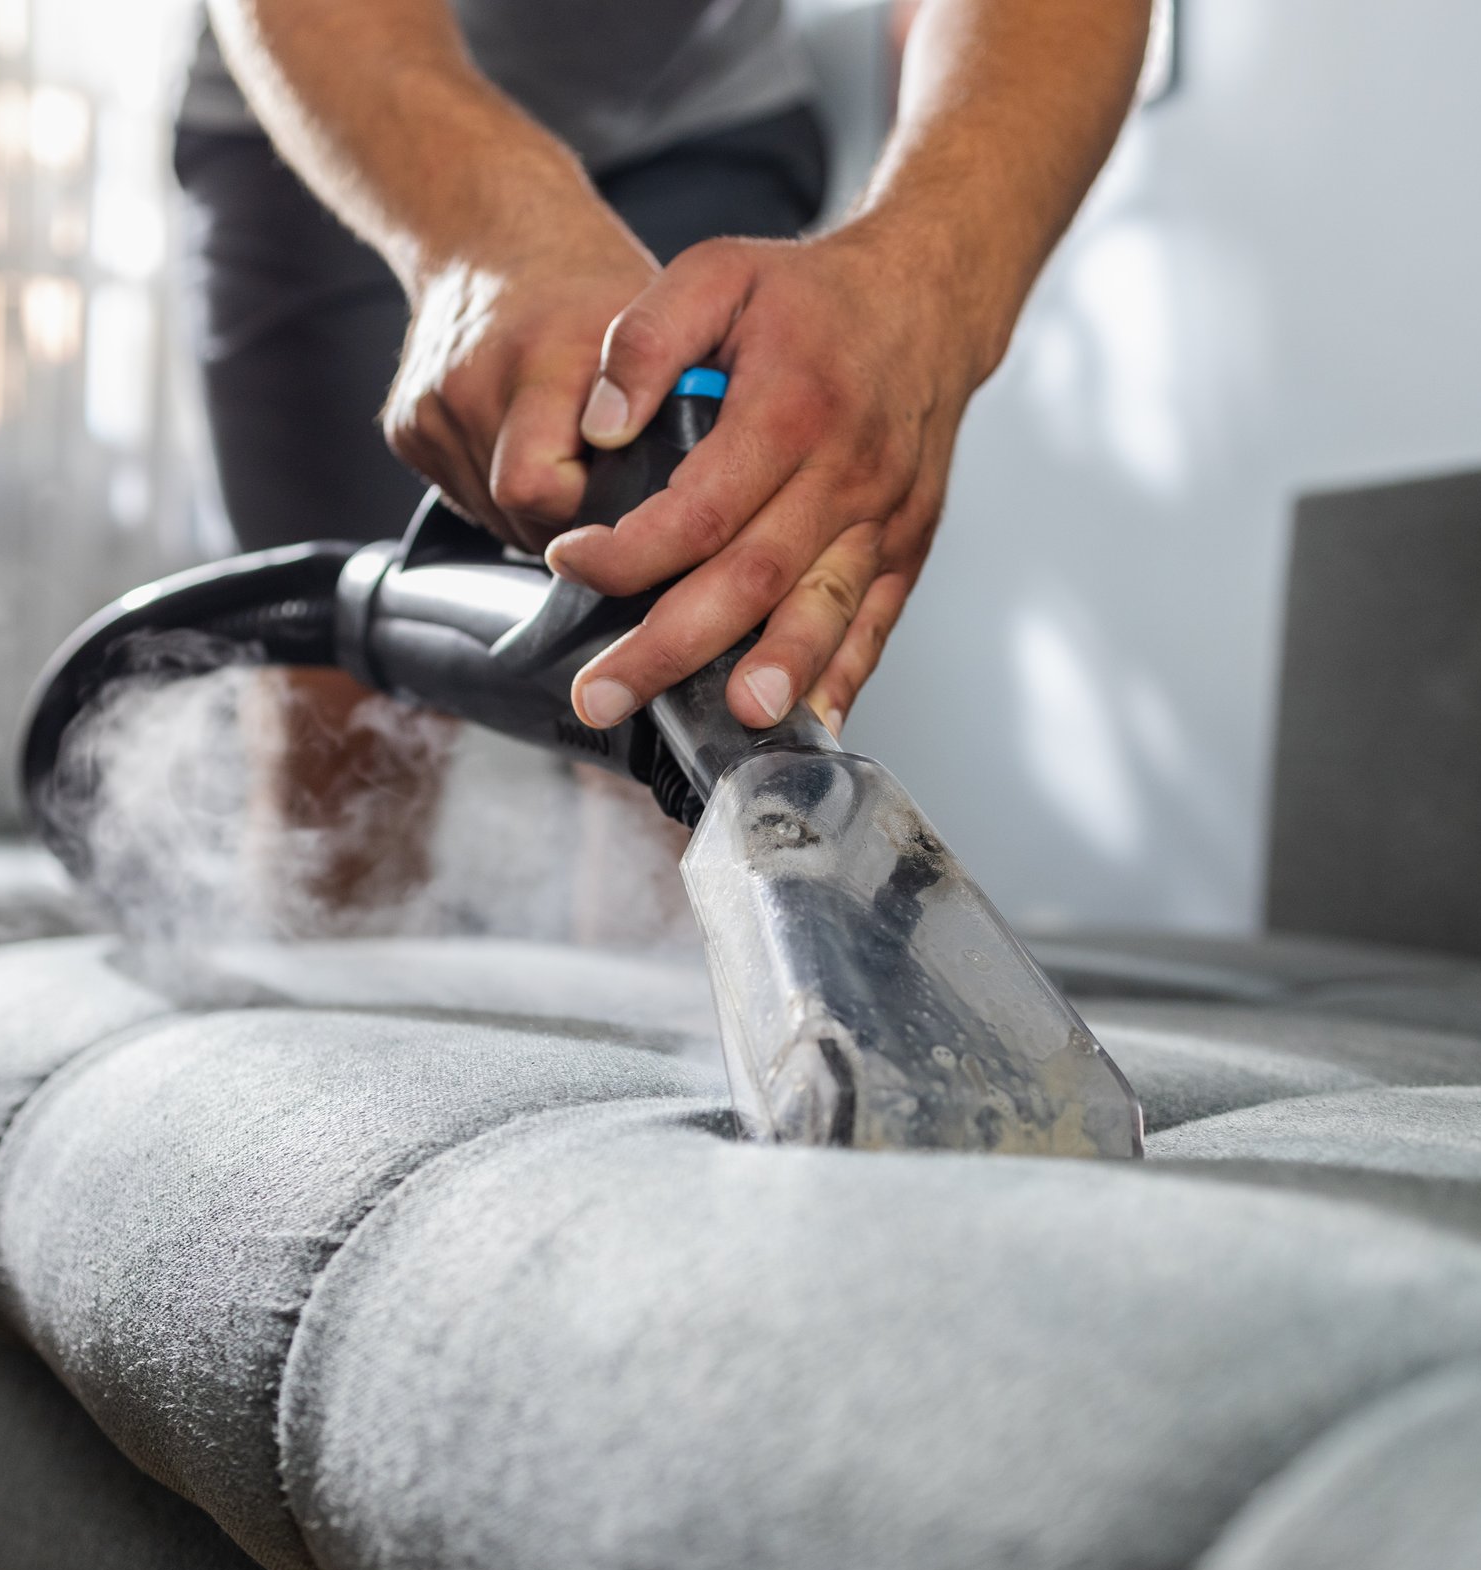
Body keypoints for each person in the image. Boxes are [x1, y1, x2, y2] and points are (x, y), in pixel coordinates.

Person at [172, 0, 1149, 923]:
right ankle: (325, 1006)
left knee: (693, 675)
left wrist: (927, 287)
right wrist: (477, 235)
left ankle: (668, 1020)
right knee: (341, 729)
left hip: (697, 111)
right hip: (341, 75)